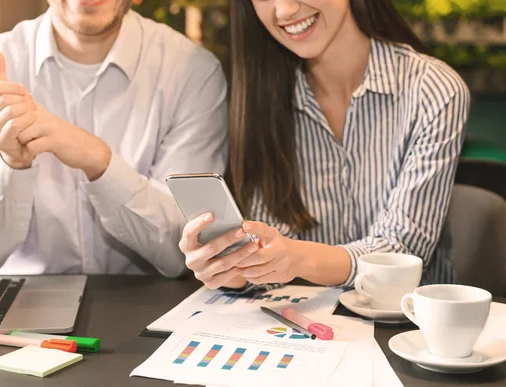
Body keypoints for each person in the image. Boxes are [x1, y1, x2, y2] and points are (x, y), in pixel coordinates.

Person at [180, 0, 470, 291]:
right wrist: (234, 269)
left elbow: (402, 254)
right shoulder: (261, 97)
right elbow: (269, 247)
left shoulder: (433, 91)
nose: (285, 10)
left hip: (407, 323)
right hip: (304, 321)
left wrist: (298, 258)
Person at [0, 0, 227, 277]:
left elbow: (185, 252)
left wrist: (97, 159)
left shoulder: (192, 71)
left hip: (148, 302)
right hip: (23, 302)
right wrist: (9, 163)